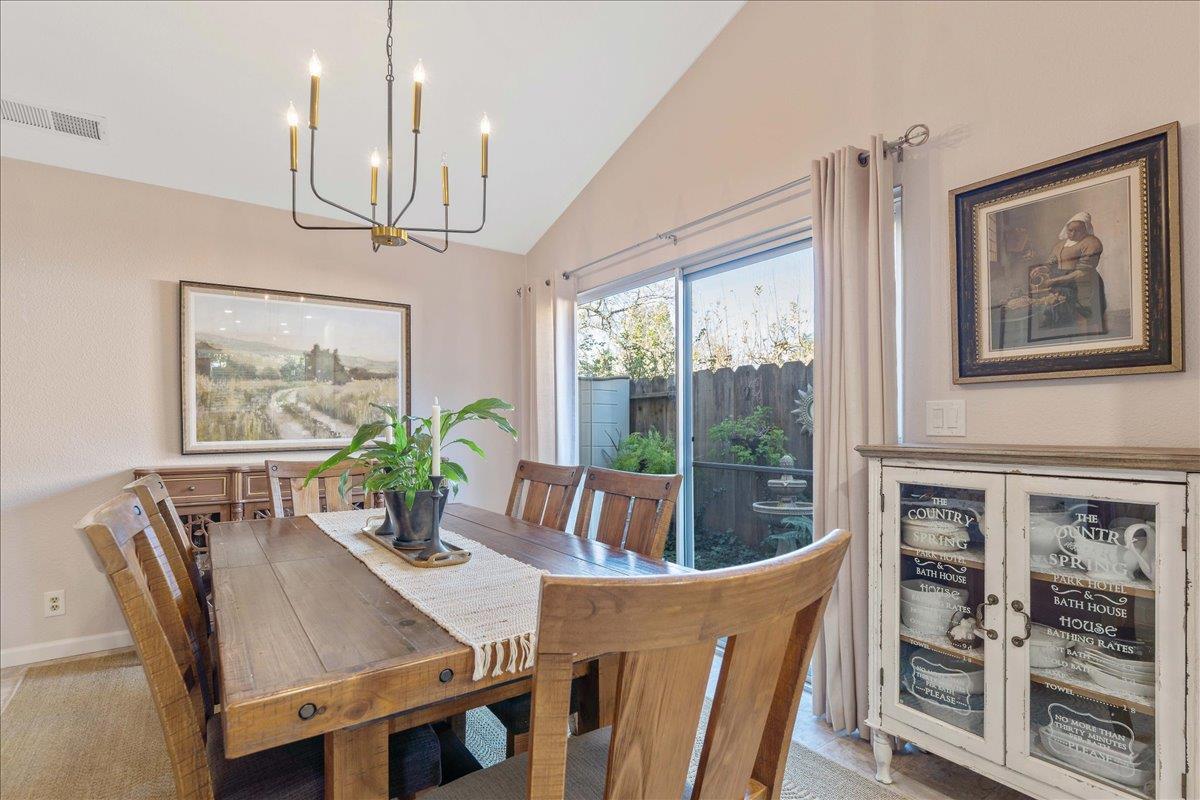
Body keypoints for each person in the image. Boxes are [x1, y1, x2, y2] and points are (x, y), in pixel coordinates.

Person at [1040, 211, 1107, 336]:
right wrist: (1041, 269)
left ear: (1086, 229)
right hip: (1062, 285)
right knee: (1055, 313)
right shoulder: (1061, 245)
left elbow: (1082, 272)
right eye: (1070, 230)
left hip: (1084, 285)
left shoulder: (1092, 243)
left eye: (1078, 230)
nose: (1073, 233)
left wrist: (1054, 281)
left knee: (1085, 316)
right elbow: (1051, 262)